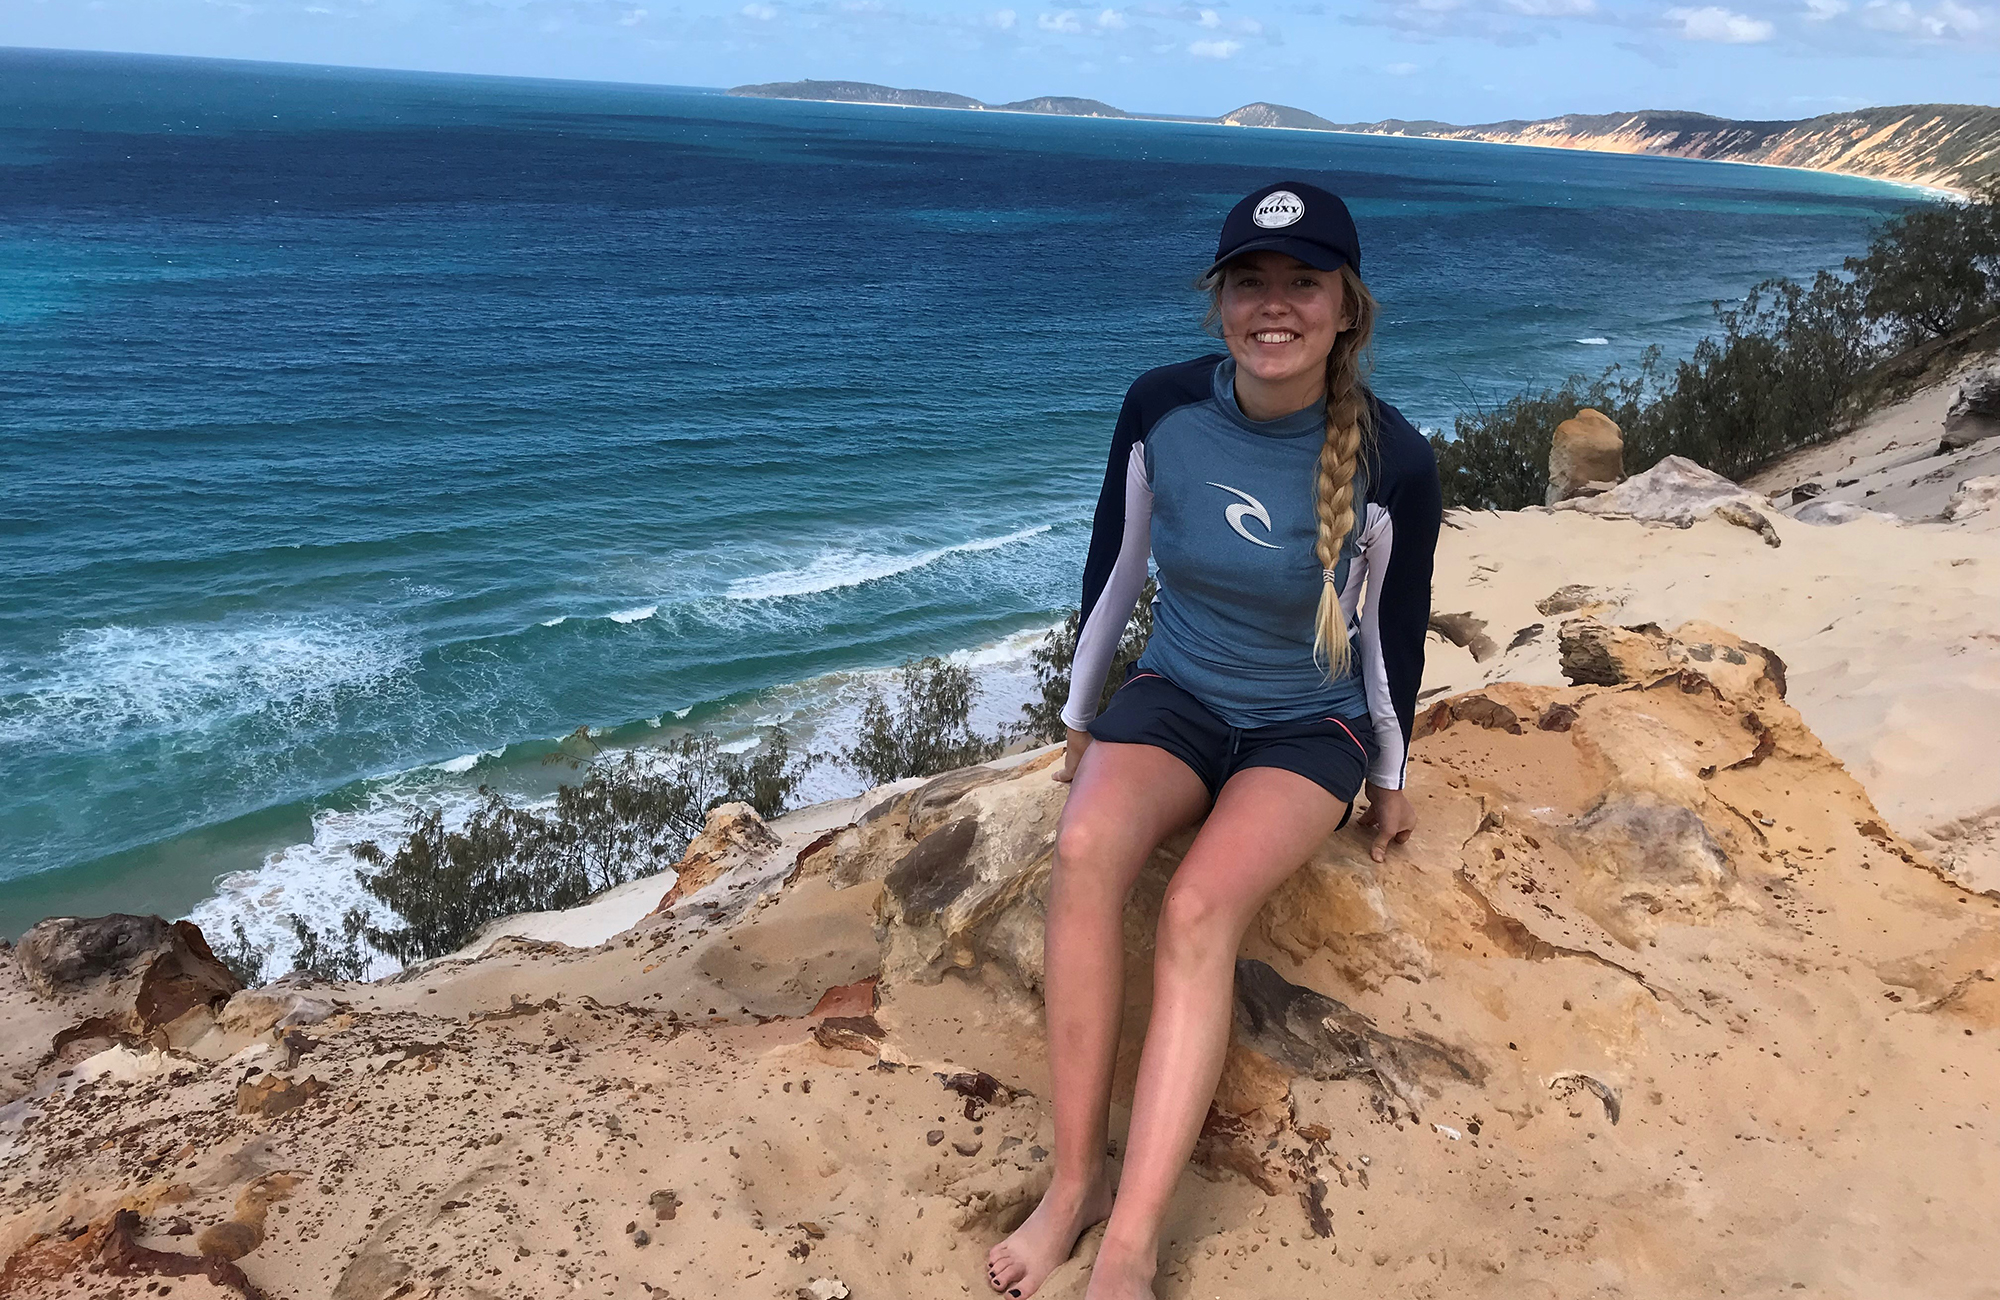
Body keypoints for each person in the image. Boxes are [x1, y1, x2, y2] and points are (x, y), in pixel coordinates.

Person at [984, 181, 1442, 1300]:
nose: (1273, 306)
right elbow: (1114, 573)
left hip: (1306, 724)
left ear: (1346, 307)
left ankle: (1132, 1243)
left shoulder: (1395, 460)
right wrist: (1079, 721)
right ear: (1219, 301)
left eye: (1303, 283)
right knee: (1084, 850)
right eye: (1250, 282)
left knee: (1196, 908)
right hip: (1177, 694)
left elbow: (1391, 639)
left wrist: (1388, 775)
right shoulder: (1162, 407)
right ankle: (1073, 1183)